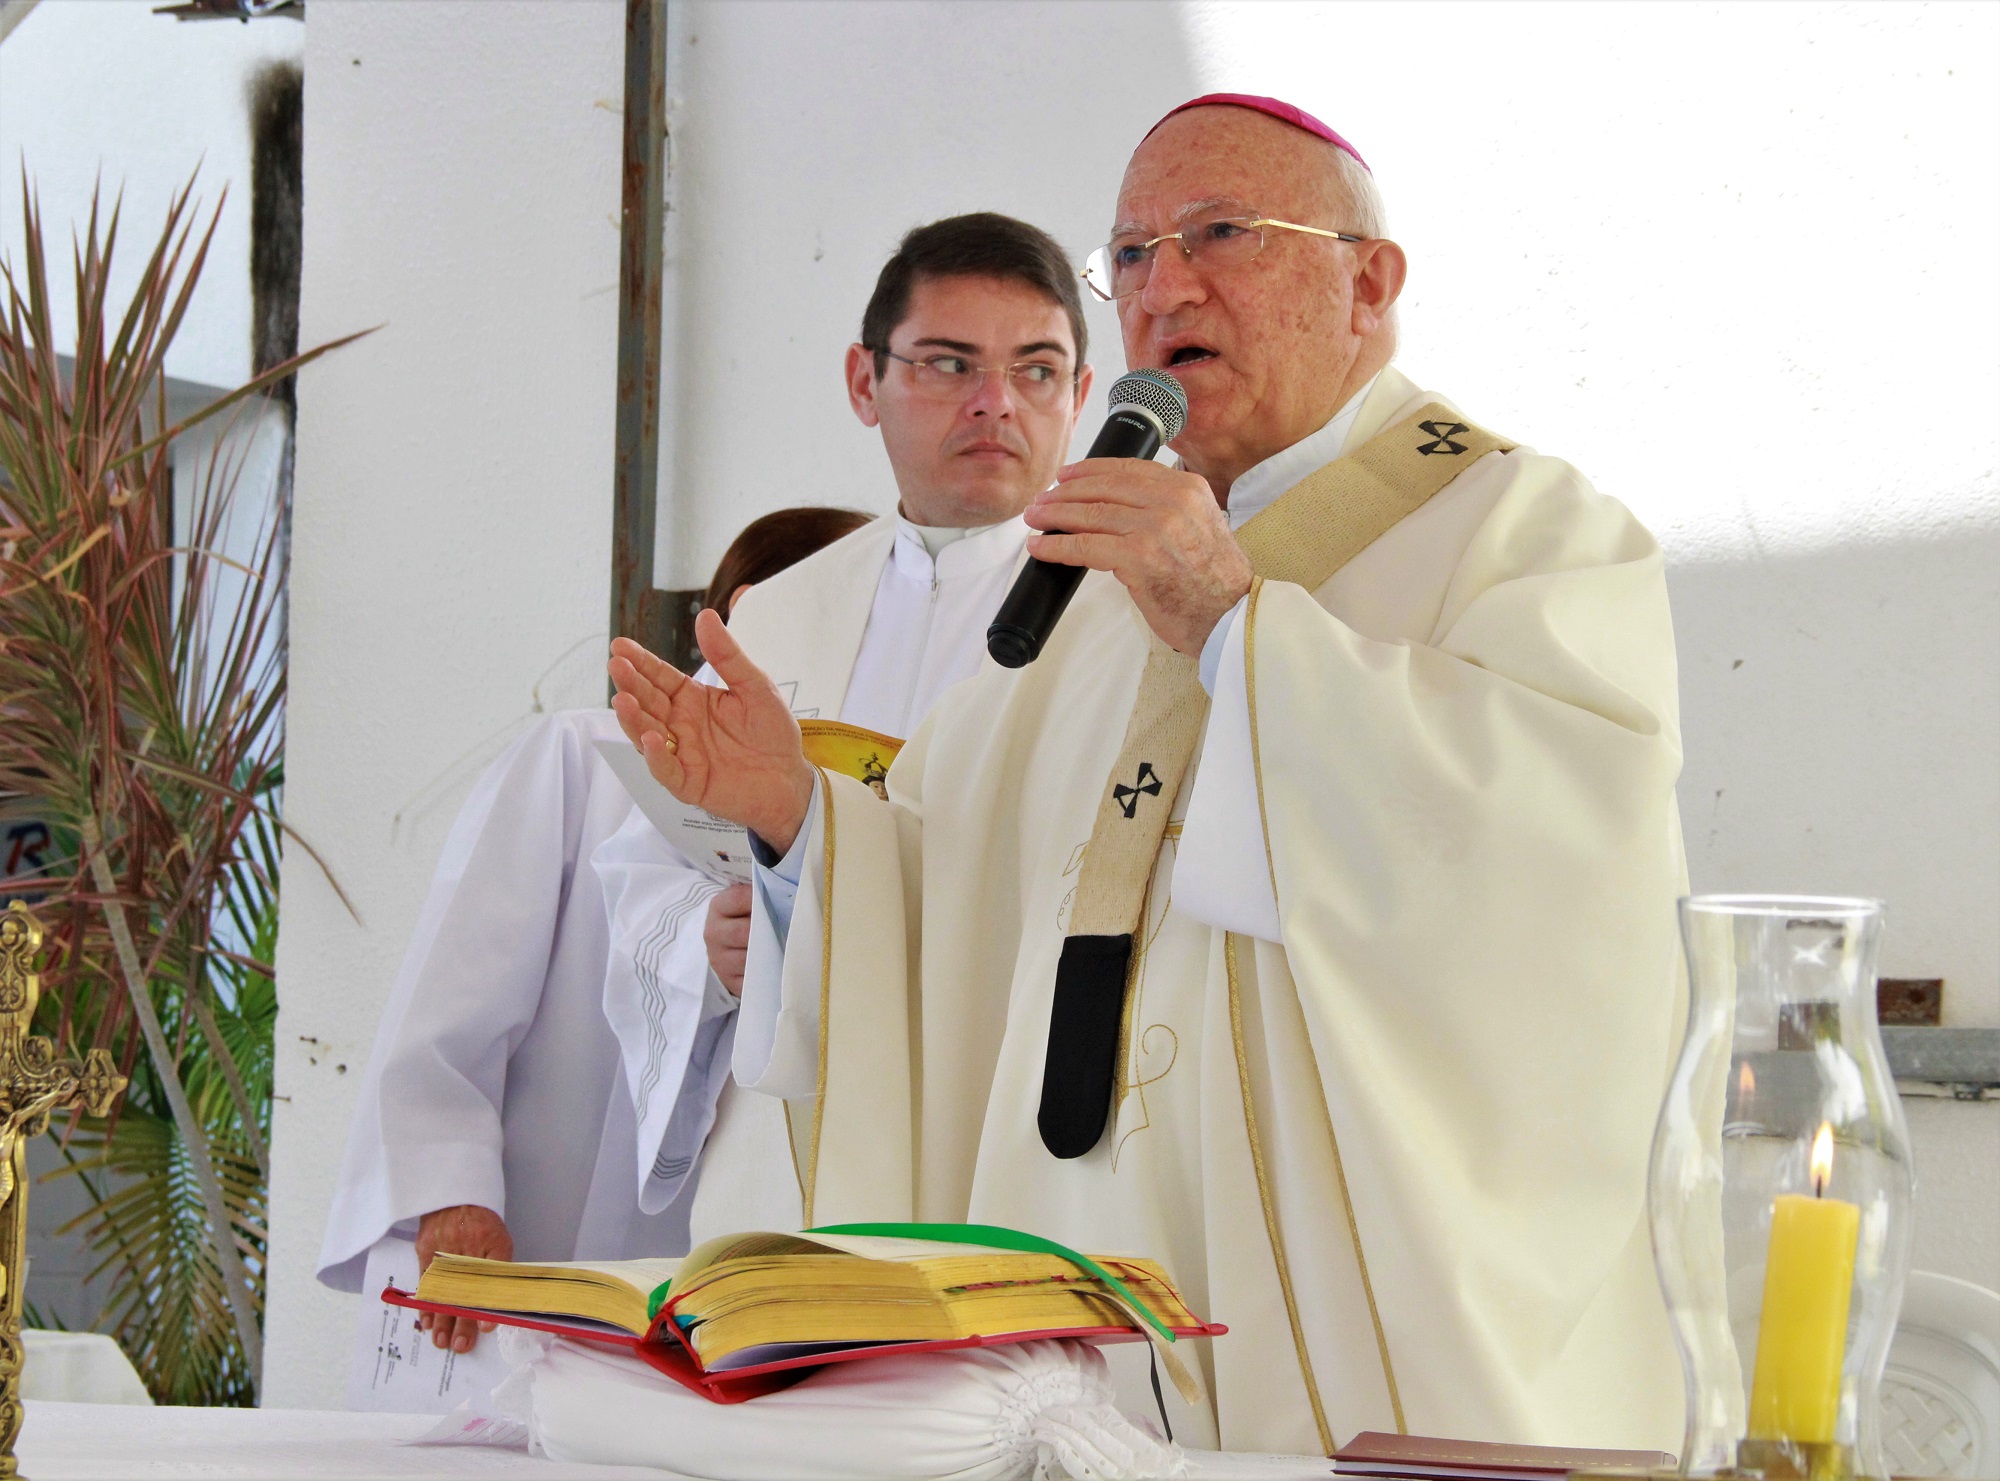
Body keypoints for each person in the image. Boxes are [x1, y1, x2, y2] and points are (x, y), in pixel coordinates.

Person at [607, 96, 1687, 1454]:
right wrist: (802, 830)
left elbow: (1561, 867)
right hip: (1066, 1306)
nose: (1164, 286)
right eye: (1128, 253)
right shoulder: (1101, 585)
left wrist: (1240, 633)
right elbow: (949, 884)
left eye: (1221, 232)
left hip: (1350, 1317)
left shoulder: (1525, 530)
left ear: (1370, 283)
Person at [586, 208, 1094, 1247]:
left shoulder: (1124, 615)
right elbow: (648, 872)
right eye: (949, 363)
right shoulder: (775, 616)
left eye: (1037, 370)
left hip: (1005, 1129)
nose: (996, 402)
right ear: (865, 382)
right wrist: (707, 942)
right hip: (797, 1140)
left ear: (1082, 396)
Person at [316, 503, 868, 1355]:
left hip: (729, 1304)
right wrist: (452, 1189)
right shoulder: (580, 760)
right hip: (526, 1254)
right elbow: (452, 995)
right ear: (748, 613)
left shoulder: (859, 818)